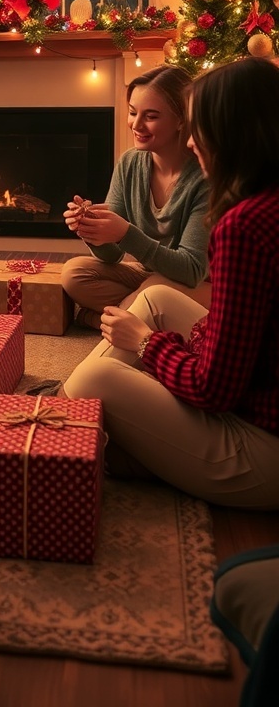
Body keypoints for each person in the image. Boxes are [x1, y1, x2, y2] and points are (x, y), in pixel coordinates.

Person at [63, 56, 279, 509]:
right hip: (249, 390)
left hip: (261, 442)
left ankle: (71, 423)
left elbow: (214, 389)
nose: (193, 138)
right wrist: (93, 230)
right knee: (153, 296)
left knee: (95, 376)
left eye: (198, 124)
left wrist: (147, 344)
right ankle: (85, 426)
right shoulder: (263, 199)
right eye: (133, 112)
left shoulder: (244, 225)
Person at [61, 65, 212, 330]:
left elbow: (191, 269)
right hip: (150, 273)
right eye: (132, 112)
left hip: (200, 284)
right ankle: (133, 318)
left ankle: (104, 320)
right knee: (75, 274)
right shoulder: (130, 163)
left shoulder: (204, 176)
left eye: (151, 116)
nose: (136, 124)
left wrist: (125, 233)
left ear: (181, 119)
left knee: (151, 293)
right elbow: (111, 256)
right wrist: (91, 229)